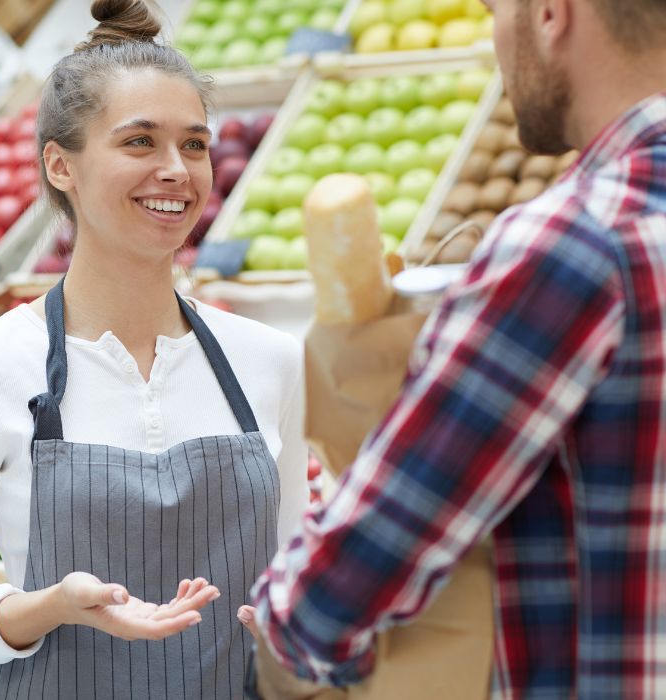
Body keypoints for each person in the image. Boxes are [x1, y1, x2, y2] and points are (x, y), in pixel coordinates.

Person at [0, 1, 308, 696]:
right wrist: (47, 607)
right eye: (140, 142)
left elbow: (290, 575)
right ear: (61, 166)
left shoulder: (270, 360)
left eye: (195, 145)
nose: (177, 169)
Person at [248, 0, 666, 698]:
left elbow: (359, 568)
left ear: (551, 14)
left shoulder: (578, 242)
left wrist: (282, 624)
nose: (495, 36)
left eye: (496, 10)